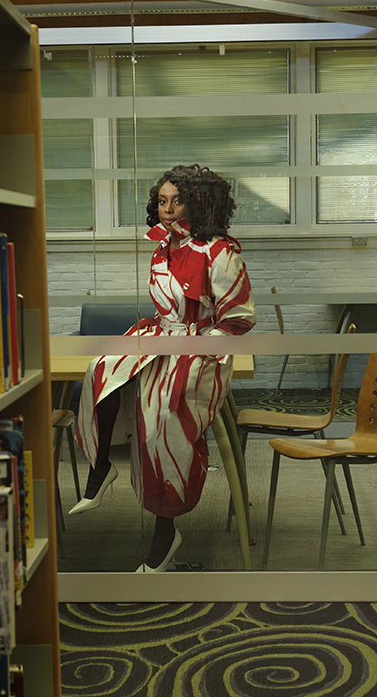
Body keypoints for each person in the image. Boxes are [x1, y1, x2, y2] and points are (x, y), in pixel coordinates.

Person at [70, 165, 255, 572]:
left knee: (162, 414)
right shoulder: (163, 247)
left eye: (178, 200)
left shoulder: (220, 254)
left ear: (200, 203)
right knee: (101, 369)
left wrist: (194, 348)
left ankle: (165, 532)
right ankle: (101, 469)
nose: (168, 210)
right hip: (162, 334)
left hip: (203, 347)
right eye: (162, 201)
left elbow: (237, 320)